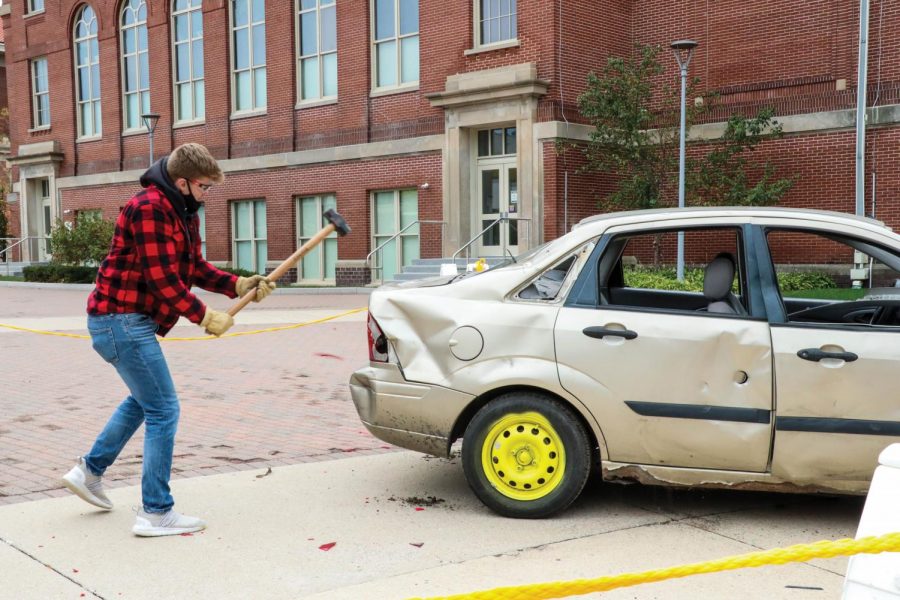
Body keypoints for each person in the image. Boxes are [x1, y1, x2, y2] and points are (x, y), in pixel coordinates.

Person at [61, 143, 275, 537]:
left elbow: (192, 267)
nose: (207, 194)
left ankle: (89, 470)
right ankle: (156, 512)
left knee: (145, 402)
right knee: (164, 409)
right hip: (118, 321)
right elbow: (162, 279)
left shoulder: (181, 211)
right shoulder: (149, 208)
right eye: (205, 186)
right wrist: (204, 317)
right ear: (183, 182)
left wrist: (238, 284)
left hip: (127, 321)